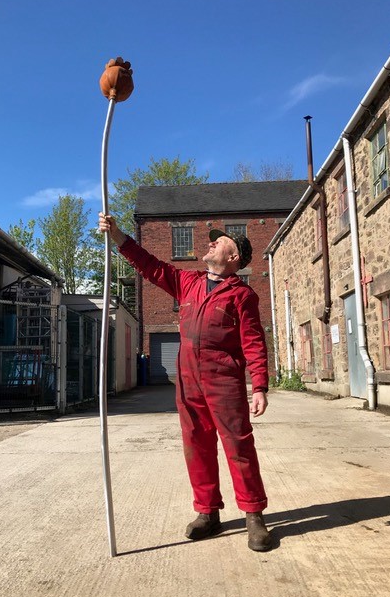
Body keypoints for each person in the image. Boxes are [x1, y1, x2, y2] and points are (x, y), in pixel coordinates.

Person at [99, 213, 272, 552]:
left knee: (238, 446)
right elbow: (150, 266)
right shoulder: (187, 282)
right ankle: (207, 512)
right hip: (188, 381)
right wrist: (118, 236)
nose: (211, 242)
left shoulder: (242, 295)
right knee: (197, 446)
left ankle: (254, 515)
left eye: (219, 241)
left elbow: (253, 341)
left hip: (223, 381)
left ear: (234, 257)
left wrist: (260, 385)